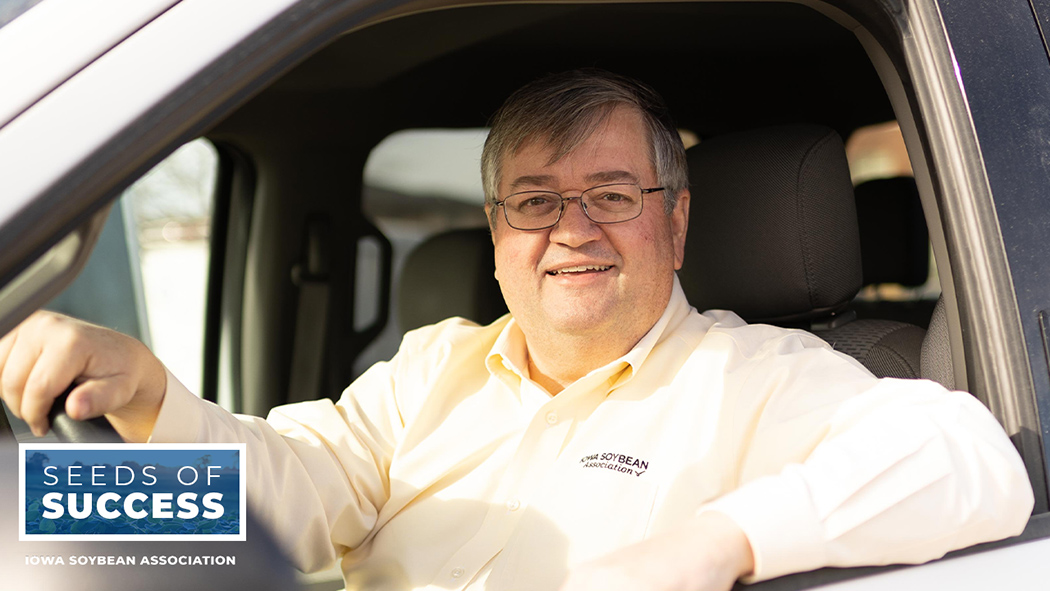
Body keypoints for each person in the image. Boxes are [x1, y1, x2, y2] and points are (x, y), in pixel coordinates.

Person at [0, 70, 1034, 591]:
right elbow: (284, 497)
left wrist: (716, 543)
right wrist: (140, 394)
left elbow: (974, 463)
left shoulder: (752, 376)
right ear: (497, 236)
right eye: (535, 201)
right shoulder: (430, 369)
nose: (571, 231)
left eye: (614, 193)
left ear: (676, 221)